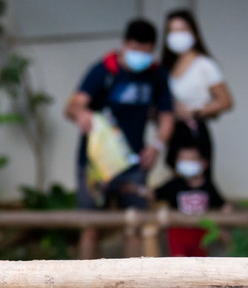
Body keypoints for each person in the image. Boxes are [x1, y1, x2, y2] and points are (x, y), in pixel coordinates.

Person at [65, 18, 173, 259]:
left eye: (146, 51)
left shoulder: (156, 75)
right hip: (95, 163)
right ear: (125, 44)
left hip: (133, 163)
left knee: (133, 224)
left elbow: (166, 116)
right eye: (135, 49)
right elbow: (73, 106)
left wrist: (157, 147)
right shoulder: (104, 70)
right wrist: (81, 114)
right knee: (92, 226)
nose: (140, 56)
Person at [160, 8, 233, 178]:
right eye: (172, 31)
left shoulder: (204, 64)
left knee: (197, 182)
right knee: (176, 185)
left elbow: (225, 101)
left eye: (182, 30)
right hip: (173, 131)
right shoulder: (166, 66)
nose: (177, 35)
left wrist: (194, 111)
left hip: (195, 131)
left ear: (193, 32)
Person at [155, 142, 231, 257]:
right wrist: (137, 190)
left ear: (204, 163)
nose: (187, 163)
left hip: (200, 232)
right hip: (178, 231)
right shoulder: (174, 184)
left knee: (199, 263)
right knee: (179, 262)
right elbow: (153, 194)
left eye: (191, 159)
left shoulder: (208, 185)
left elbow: (222, 204)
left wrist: (225, 222)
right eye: (183, 160)